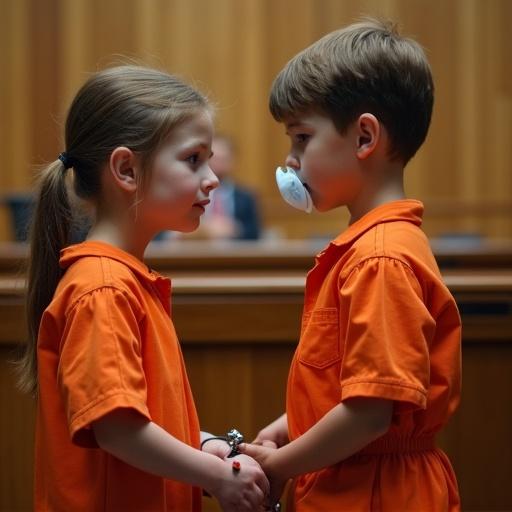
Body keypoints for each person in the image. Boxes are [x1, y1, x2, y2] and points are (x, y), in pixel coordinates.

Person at [16, 65, 269, 512]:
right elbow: (115, 427)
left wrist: (201, 444)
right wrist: (218, 477)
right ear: (127, 169)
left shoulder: (121, 279)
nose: (212, 178)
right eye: (194, 159)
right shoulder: (102, 288)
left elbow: (141, 416)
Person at [240, 19, 462, 512]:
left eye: (301, 138)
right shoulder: (370, 247)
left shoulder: (381, 258)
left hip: (378, 493)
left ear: (364, 137)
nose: (290, 160)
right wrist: (288, 426)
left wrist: (277, 467)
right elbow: (352, 388)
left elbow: (368, 414)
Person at [197, 135, 261, 240]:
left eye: (224, 158)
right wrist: (204, 230)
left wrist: (235, 229)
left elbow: (254, 233)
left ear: (232, 161)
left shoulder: (246, 197)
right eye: (215, 158)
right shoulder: (193, 192)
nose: (219, 164)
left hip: (235, 253)